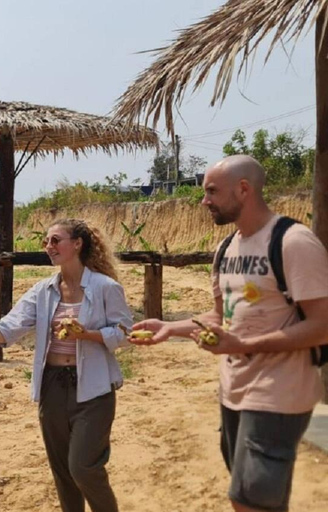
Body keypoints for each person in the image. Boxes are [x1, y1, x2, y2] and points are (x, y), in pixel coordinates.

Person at [130, 155, 328, 512]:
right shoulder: (226, 249)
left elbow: (322, 325)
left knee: (249, 502)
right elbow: (222, 317)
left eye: (211, 191)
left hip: (279, 394)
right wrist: (171, 328)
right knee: (257, 501)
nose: (203, 200)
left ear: (243, 190)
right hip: (234, 391)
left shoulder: (293, 243)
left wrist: (244, 344)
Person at [0, 218, 132, 512]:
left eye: (55, 240)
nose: (48, 247)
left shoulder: (106, 287)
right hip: (52, 385)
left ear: (77, 244)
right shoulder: (43, 290)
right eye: (46, 241)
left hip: (93, 388)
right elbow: (14, 324)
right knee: (62, 472)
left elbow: (125, 333)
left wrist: (86, 335)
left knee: (83, 467)